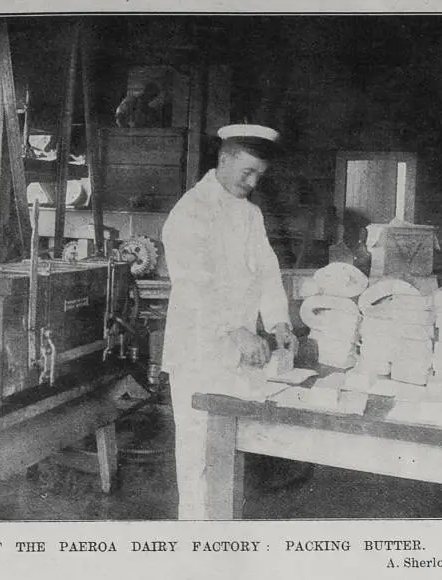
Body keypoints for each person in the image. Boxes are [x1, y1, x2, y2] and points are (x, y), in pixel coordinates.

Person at [161, 124, 298, 519]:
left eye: (259, 176)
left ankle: (223, 530)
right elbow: (193, 284)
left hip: (239, 353)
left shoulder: (251, 214)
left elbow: (268, 274)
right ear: (224, 160)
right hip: (198, 351)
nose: (253, 183)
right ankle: (196, 535)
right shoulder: (191, 210)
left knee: (230, 445)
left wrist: (278, 323)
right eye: (247, 173)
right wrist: (237, 330)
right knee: (198, 450)